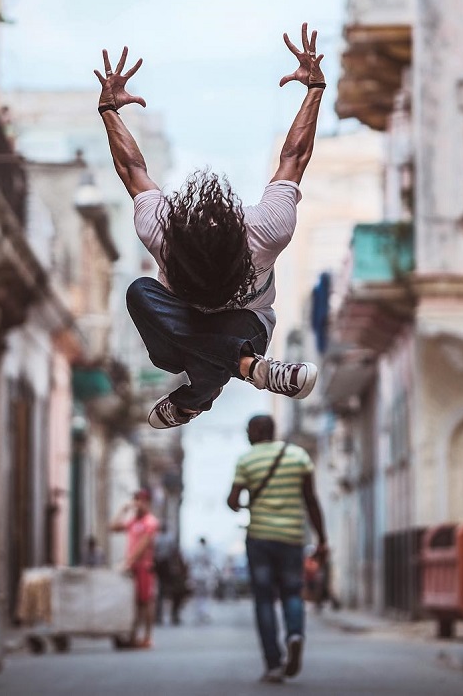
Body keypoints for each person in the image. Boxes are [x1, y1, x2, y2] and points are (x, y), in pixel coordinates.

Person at [94, 23, 326, 430]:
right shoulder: (264, 228)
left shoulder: (166, 231)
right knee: (140, 292)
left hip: (228, 331)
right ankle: (248, 368)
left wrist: (109, 112)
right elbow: (295, 158)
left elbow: (132, 171)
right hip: (196, 333)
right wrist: (314, 91)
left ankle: (198, 394)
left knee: (148, 297)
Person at [227, 414, 328, 683]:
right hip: (292, 537)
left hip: (259, 537)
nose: (247, 435)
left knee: (263, 600)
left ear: (258, 430)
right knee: (292, 592)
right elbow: (311, 500)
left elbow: (233, 500)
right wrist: (322, 538)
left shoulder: (247, 459)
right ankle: (295, 634)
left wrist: (244, 504)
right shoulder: (298, 456)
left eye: (249, 429)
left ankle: (273, 664)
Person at [109, 489, 159, 648]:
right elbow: (113, 527)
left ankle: (147, 637)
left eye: (141, 500)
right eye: (136, 500)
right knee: (134, 603)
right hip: (132, 566)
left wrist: (128, 562)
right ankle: (133, 636)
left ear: (148, 503)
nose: (138, 504)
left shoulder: (150, 521)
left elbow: (143, 545)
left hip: (143, 566)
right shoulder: (133, 521)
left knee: (145, 602)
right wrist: (123, 510)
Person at [189, 536, 216, 624]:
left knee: (199, 595)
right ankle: (204, 612)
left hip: (198, 574)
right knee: (204, 595)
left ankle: (201, 612)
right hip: (204, 575)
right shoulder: (206, 551)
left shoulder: (197, 551)